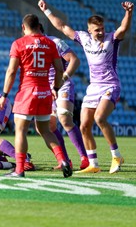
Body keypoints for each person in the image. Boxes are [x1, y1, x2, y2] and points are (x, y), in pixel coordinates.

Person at [38, 0, 134, 174]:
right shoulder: (83, 38)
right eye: (97, 30)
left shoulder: (111, 39)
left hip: (110, 85)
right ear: (89, 30)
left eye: (102, 29)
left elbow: (123, 28)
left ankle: (116, 155)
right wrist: (46, 11)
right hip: (93, 88)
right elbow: (62, 27)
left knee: (100, 118)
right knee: (83, 126)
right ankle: (93, 164)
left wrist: (128, 13)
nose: (100, 32)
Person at [0, 13, 72, 178]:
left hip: (27, 92)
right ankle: (63, 160)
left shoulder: (19, 43)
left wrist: (4, 94)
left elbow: (11, 71)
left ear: (23, 27)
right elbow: (60, 69)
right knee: (45, 130)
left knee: (21, 131)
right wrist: (56, 88)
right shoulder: (50, 43)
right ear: (38, 26)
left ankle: (19, 170)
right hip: (45, 91)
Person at [40, 25, 89, 170]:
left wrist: (63, 78)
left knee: (65, 119)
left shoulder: (55, 42)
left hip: (62, 85)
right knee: (49, 126)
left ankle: (84, 157)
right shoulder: (29, 45)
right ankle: (65, 161)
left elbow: (74, 60)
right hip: (45, 88)